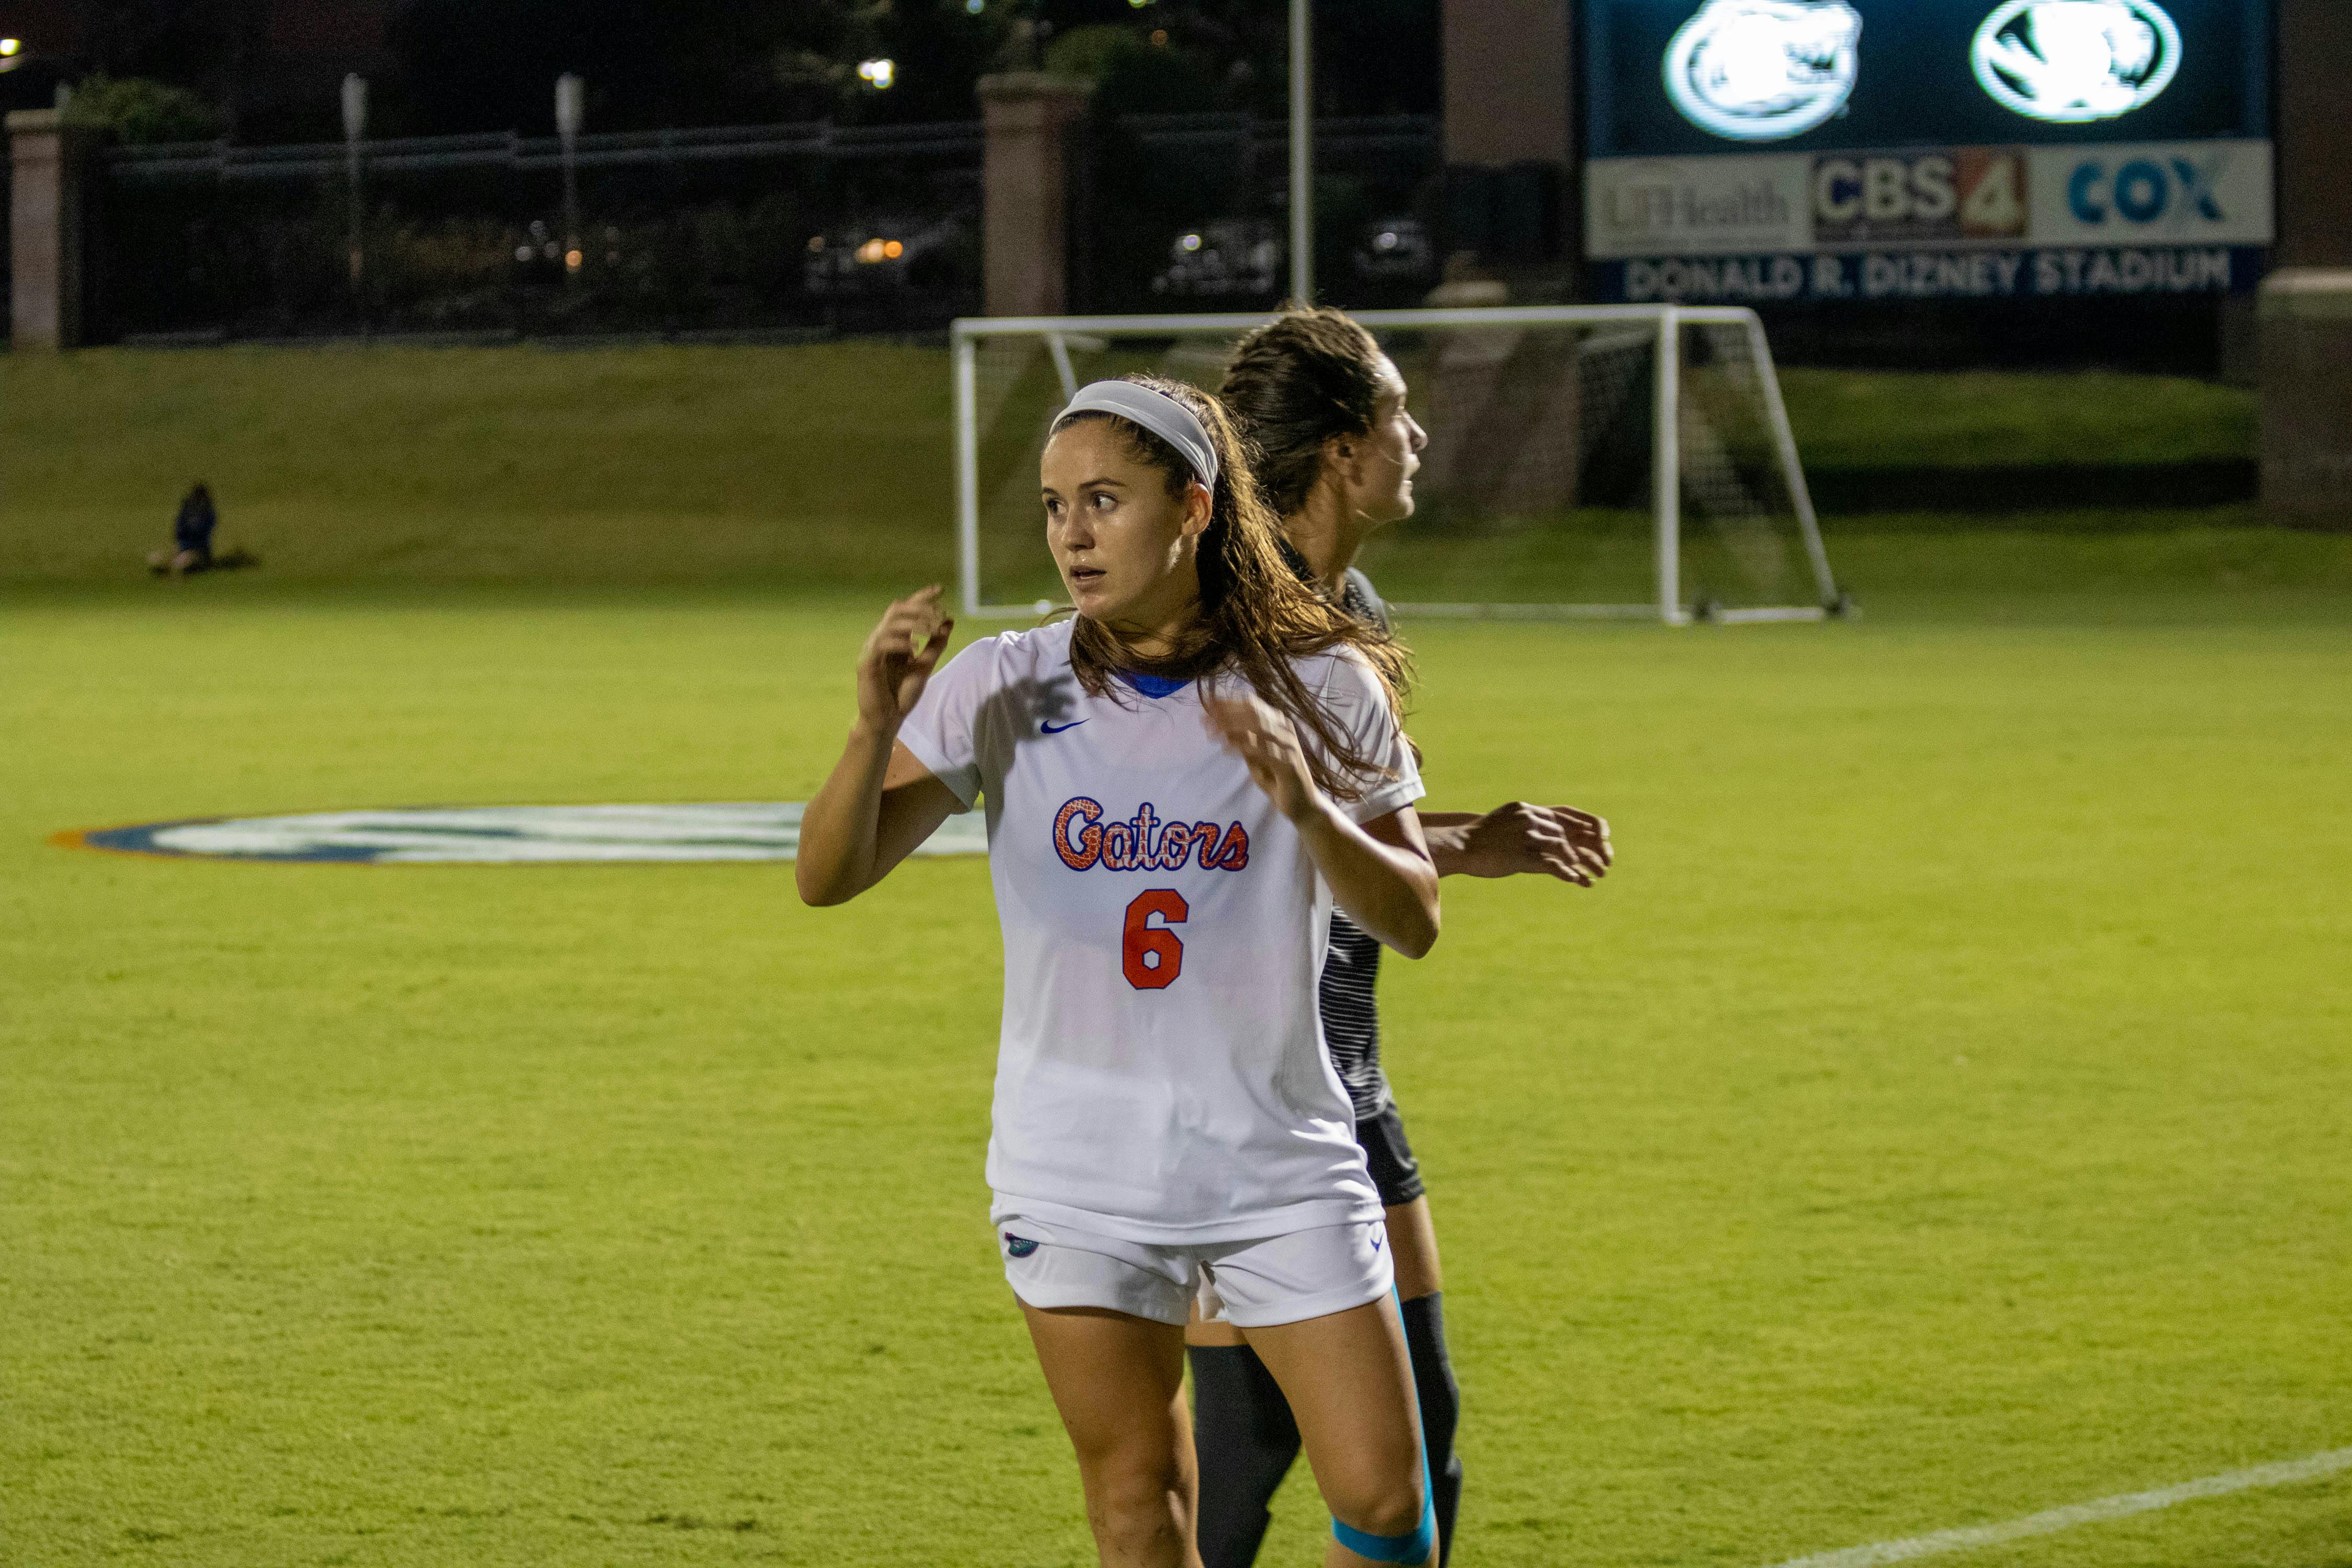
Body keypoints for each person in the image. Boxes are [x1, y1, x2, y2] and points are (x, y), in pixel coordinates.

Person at [797, 374, 1448, 1567]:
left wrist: (1307, 808)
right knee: (1133, 1501)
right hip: (1075, 1161)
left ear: (1192, 507)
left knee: (1379, 1492)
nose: (1072, 533)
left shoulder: (1322, 680)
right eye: (1053, 507)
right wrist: (871, 728)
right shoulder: (1004, 681)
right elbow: (828, 876)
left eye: (1104, 498)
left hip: (1277, 1155)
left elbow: (1409, 916)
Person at [1185, 304, 1616, 1568]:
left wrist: (1457, 836)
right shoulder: (1212, 622)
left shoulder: (1346, 604)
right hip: (1239, 1083)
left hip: (1348, 1070)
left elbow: (1324, 842)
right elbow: (1209, 846)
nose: (1414, 433)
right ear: (1336, 451)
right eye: (1391, 415)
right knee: (1236, 1469)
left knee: (1417, 1445)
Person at [148, 482, 217, 577]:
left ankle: (178, 569)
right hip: (185, 547)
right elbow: (179, 530)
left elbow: (201, 533)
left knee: (180, 562)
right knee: (159, 558)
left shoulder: (206, 513)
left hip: (198, 550)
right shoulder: (191, 512)